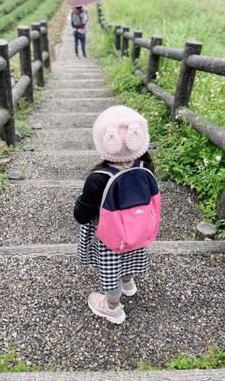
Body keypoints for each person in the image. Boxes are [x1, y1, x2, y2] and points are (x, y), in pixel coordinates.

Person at [74, 106, 158, 325]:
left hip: (109, 238)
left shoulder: (98, 178)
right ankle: (128, 283)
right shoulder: (146, 167)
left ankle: (112, 308)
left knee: (111, 270)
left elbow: (81, 216)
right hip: (137, 231)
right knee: (131, 256)